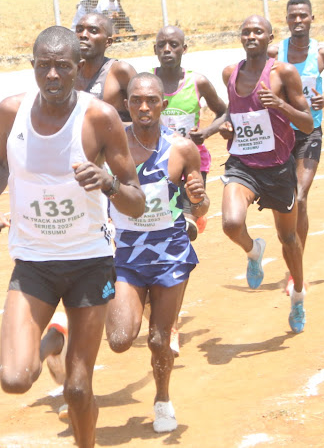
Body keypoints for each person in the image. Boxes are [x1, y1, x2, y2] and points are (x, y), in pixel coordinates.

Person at [0, 26, 146, 448]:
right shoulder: (10, 111)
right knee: (15, 379)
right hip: (33, 262)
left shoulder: (99, 119)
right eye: (44, 66)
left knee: (76, 387)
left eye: (63, 67)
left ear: (79, 69)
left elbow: (136, 201)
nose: (52, 76)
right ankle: (54, 340)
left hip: (89, 263)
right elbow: (0, 161)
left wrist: (107, 183)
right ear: (32, 64)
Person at [105, 73, 208, 433]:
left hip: (170, 251)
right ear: (127, 104)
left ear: (163, 103)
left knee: (159, 338)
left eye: (151, 100)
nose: (144, 107)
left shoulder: (181, 149)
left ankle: (163, 399)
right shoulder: (112, 147)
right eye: (136, 101)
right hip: (126, 253)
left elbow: (201, 202)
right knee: (119, 341)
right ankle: (123, 300)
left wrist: (197, 196)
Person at [219, 15, 313, 333]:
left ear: (270, 37)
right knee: (231, 223)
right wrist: (225, 127)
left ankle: (298, 293)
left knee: (288, 239)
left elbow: (308, 123)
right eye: (245, 31)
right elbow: (233, 113)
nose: (251, 35)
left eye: (258, 31)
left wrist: (280, 106)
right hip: (243, 164)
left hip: (277, 168)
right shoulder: (230, 73)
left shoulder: (283, 73)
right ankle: (253, 250)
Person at [268, 0, 324, 293]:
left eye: (303, 15)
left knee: (299, 197)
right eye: (293, 16)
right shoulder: (276, 53)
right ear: (287, 20)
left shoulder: (323, 53)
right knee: (283, 202)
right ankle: (290, 248)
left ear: (312, 18)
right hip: (279, 135)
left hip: (309, 132)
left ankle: (295, 270)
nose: (298, 20)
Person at [152, 25, 228, 242]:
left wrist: (206, 132)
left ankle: (193, 215)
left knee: (186, 224)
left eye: (173, 45)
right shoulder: (147, 82)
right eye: (162, 45)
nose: (167, 49)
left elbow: (223, 111)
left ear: (183, 49)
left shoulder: (198, 82)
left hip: (192, 158)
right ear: (155, 49)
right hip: (158, 159)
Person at [74, 13, 137, 122]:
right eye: (79, 30)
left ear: (108, 42)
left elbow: (149, 113)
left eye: (93, 31)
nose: (83, 35)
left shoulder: (120, 71)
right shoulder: (68, 74)